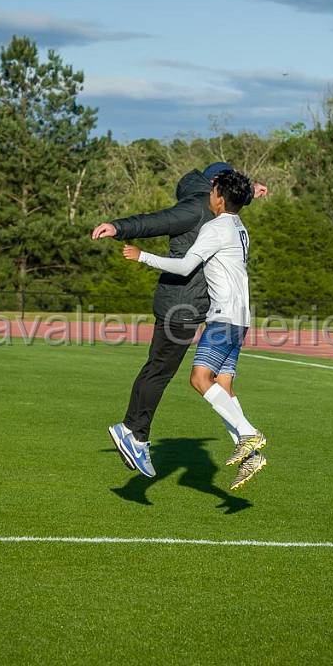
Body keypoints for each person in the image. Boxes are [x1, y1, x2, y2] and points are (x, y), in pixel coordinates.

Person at [91, 163, 267, 480]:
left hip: (210, 309)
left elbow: (235, 196)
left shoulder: (222, 215)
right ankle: (133, 432)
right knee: (163, 369)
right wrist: (120, 228)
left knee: (208, 380)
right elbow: (157, 221)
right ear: (216, 186)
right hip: (182, 305)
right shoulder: (197, 209)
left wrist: (252, 190)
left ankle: (248, 444)